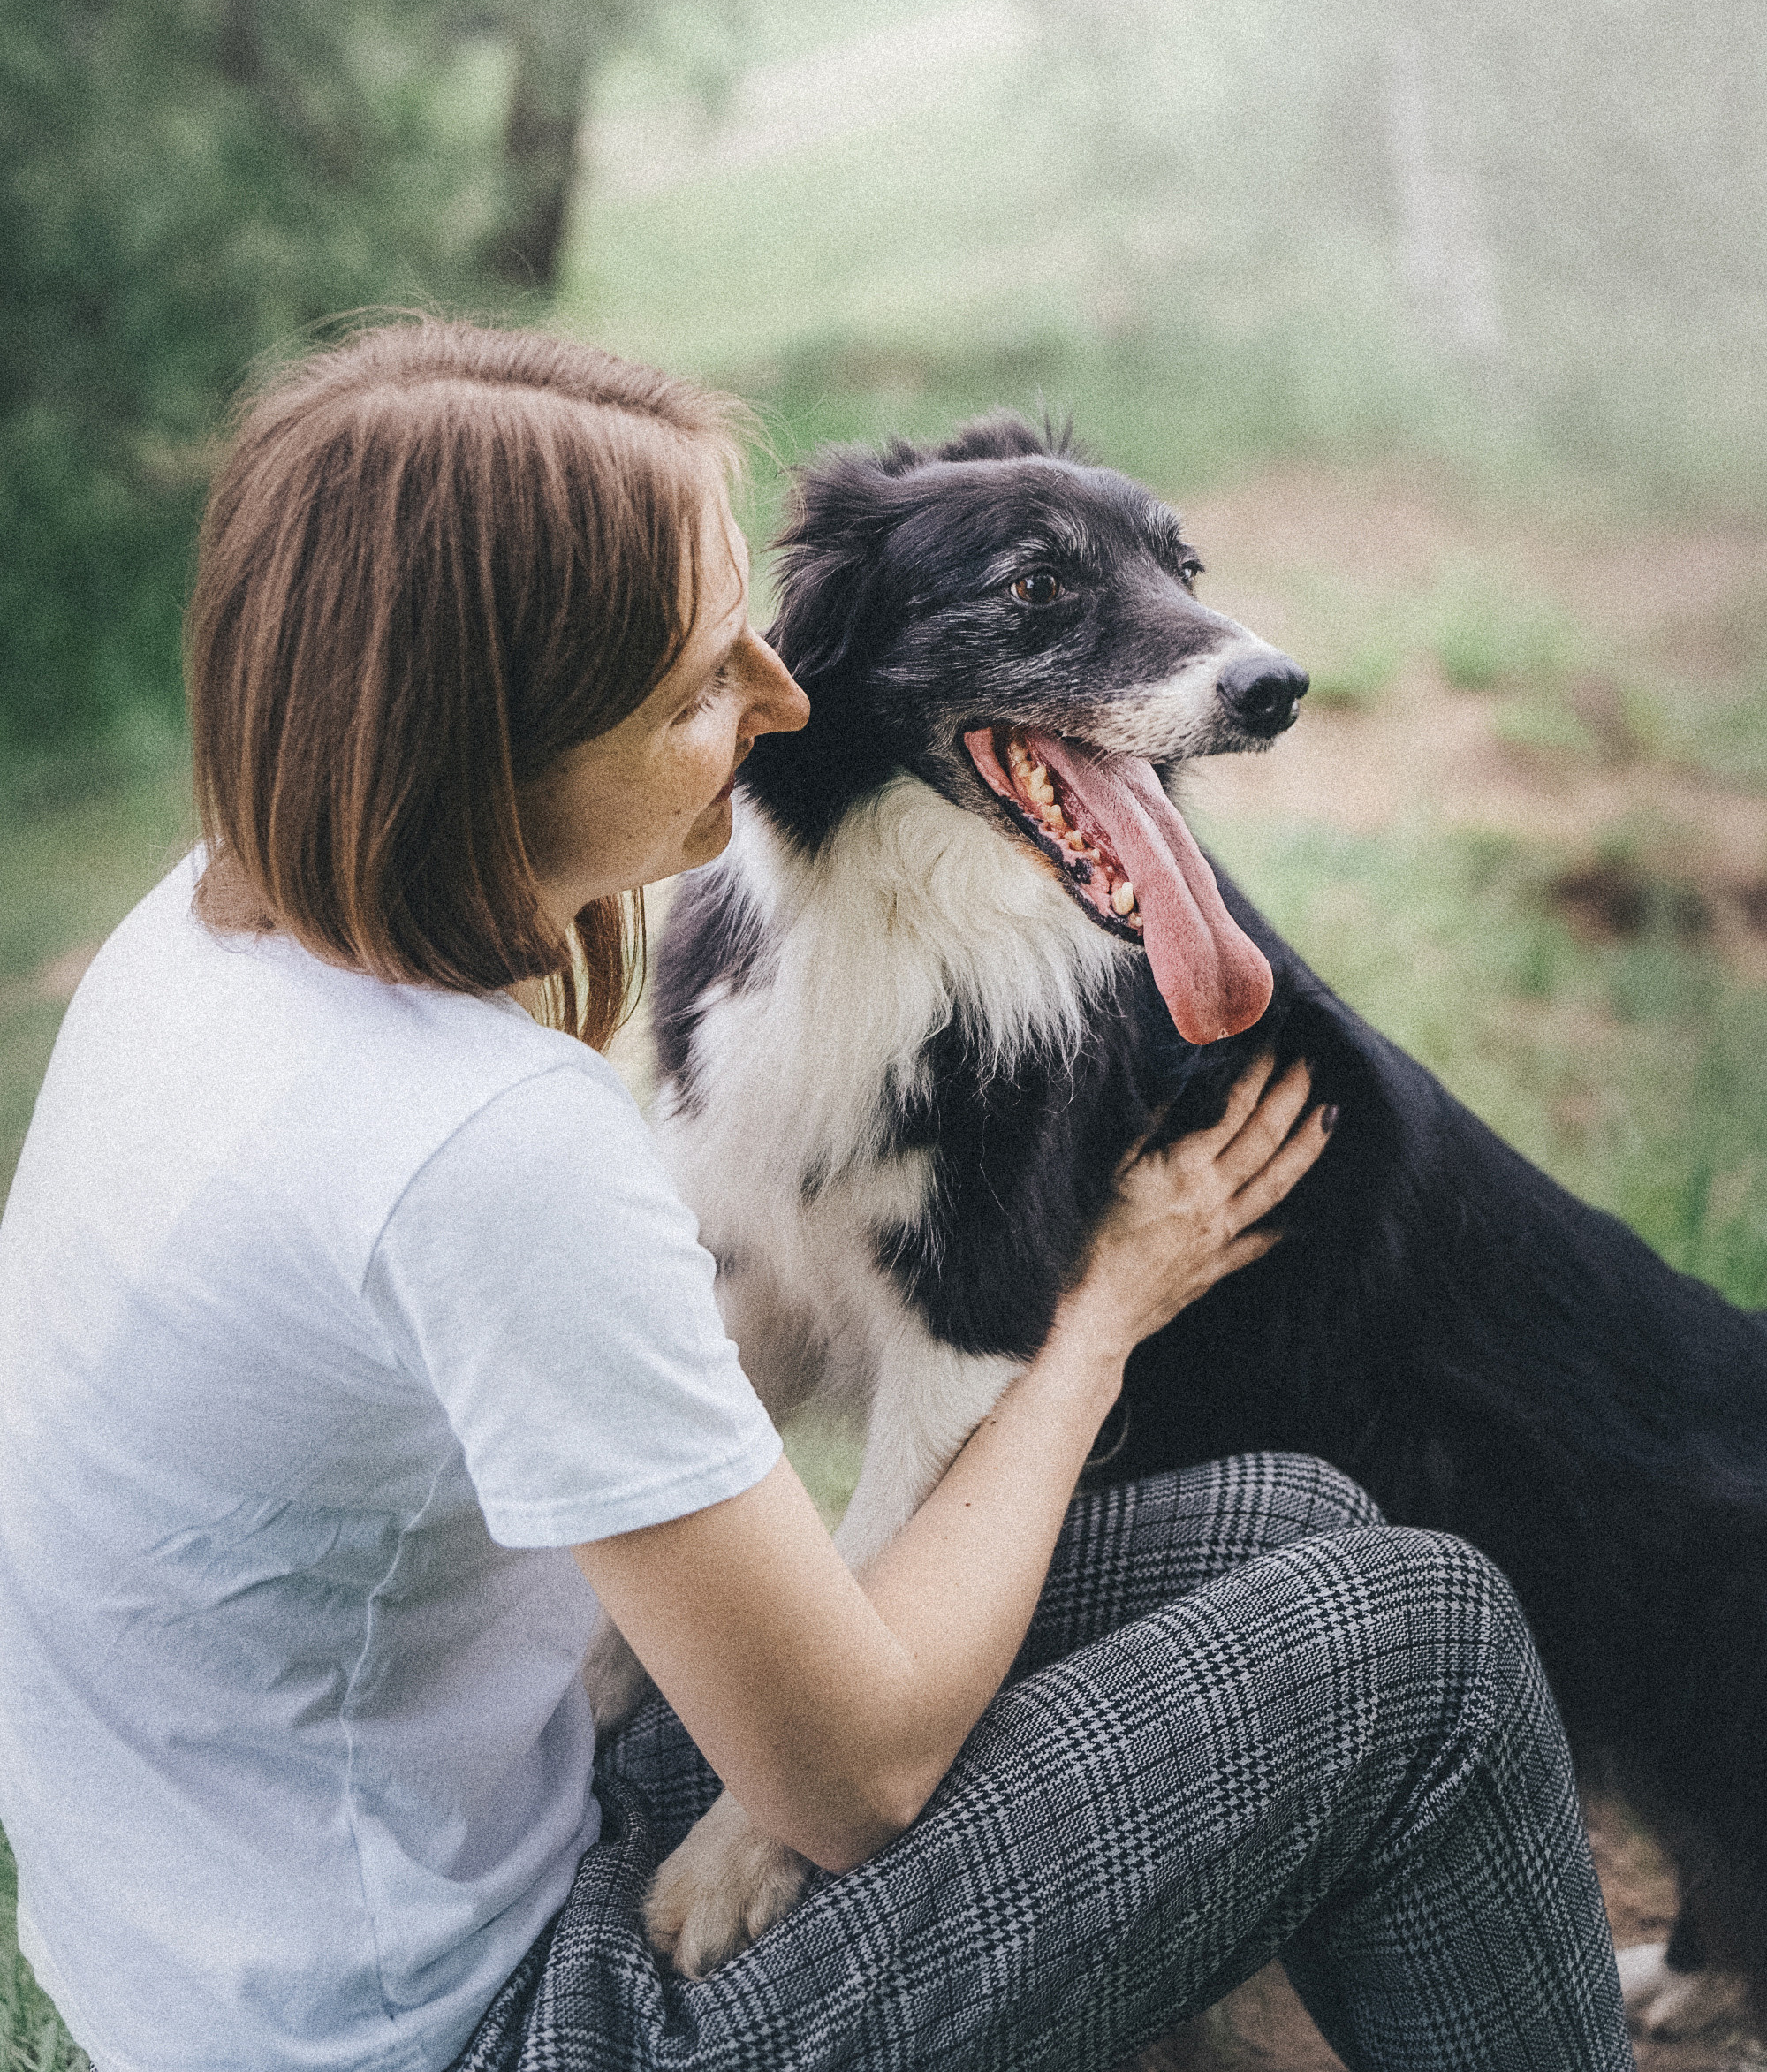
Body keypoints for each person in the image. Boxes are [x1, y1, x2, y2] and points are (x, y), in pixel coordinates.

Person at [0, 319, 1631, 2072]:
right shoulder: (472, 1143)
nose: (788, 697)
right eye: (704, 683)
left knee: (1294, 1522)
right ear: (500, 726)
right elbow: (846, 1781)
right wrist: (1096, 1316)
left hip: (318, 1909)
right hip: (466, 2025)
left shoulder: (200, 932)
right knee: (1426, 1641)